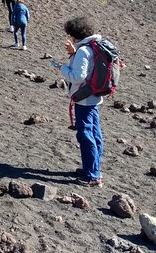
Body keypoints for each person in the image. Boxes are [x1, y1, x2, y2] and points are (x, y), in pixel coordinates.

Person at [52, 16, 104, 187]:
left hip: (84, 99)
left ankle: (92, 175)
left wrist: (61, 67)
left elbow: (77, 76)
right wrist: (74, 54)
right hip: (94, 96)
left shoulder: (84, 50)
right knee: (95, 134)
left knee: (86, 135)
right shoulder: (93, 46)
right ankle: (93, 168)